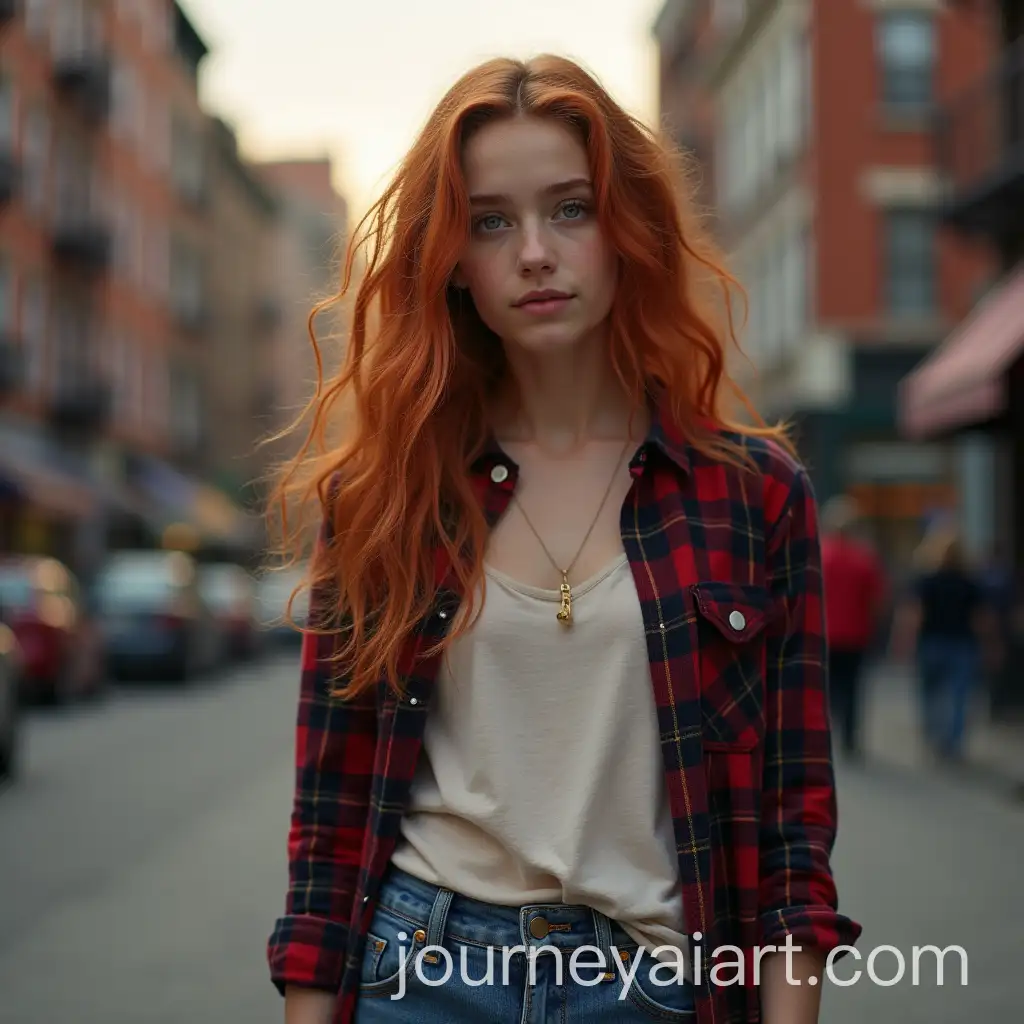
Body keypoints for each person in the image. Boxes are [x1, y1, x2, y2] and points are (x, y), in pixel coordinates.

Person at [263, 55, 860, 1024]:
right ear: (450, 257)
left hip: (647, 982)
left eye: (570, 208)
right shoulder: (389, 494)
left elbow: (793, 827)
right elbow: (329, 813)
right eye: (491, 220)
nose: (534, 251)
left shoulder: (752, 496)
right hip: (420, 974)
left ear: (628, 229)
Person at [892, 526, 991, 761]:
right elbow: (981, 618)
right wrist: (988, 643)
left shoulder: (926, 581)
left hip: (932, 643)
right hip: (962, 644)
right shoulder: (969, 583)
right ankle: (953, 742)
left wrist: (904, 642)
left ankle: (933, 735)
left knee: (929, 693)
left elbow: (914, 614)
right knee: (959, 695)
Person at [819, 496, 887, 759]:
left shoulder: (819, 556)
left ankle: (824, 738)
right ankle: (849, 738)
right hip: (856, 635)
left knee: (823, 690)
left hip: (823, 635)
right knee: (853, 688)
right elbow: (877, 601)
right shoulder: (864, 559)